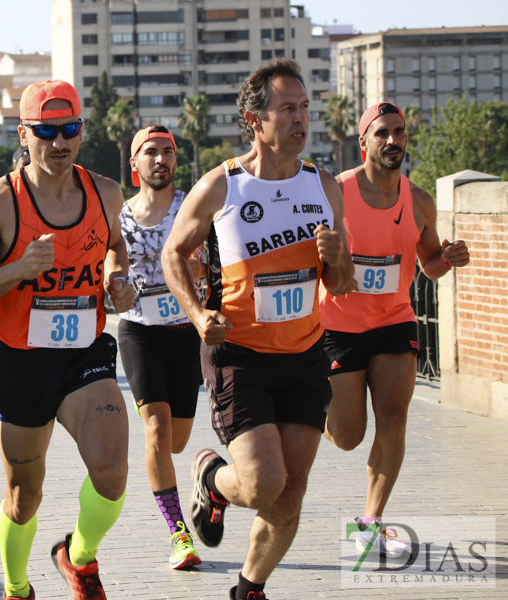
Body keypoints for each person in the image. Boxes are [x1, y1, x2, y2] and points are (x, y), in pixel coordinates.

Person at [160, 58, 355, 600]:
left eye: (305, 107)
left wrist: (338, 258)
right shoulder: (222, 186)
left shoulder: (324, 186)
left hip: (305, 355)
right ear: (255, 120)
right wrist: (199, 315)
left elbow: (341, 284)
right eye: (287, 108)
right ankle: (210, 479)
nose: (302, 118)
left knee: (289, 496)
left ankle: (250, 588)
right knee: (263, 483)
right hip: (239, 355)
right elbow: (173, 253)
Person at [0, 79, 135, 600]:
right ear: (24, 134)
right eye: (47, 132)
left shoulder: (105, 192)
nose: (59, 143)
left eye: (70, 130)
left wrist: (117, 281)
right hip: (22, 363)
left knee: (112, 474)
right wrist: (17, 270)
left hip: (84, 358)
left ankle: (78, 557)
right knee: (22, 497)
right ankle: (16, 586)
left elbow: (116, 248)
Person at [320, 101, 470, 558]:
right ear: (363, 140)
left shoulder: (419, 200)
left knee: (395, 419)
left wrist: (448, 258)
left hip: (394, 321)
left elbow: (429, 265)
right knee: (347, 436)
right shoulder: (336, 192)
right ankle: (312, 403)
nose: (393, 141)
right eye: (382, 132)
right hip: (338, 326)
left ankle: (370, 521)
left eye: (399, 132)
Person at [117, 126, 207, 570]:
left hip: (187, 332)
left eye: (167, 151)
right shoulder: (120, 216)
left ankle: (204, 477)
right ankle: (178, 534)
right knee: (156, 430)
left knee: (177, 440)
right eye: (150, 152)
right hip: (139, 332)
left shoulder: (193, 206)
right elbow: (109, 264)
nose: (160, 159)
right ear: (134, 164)